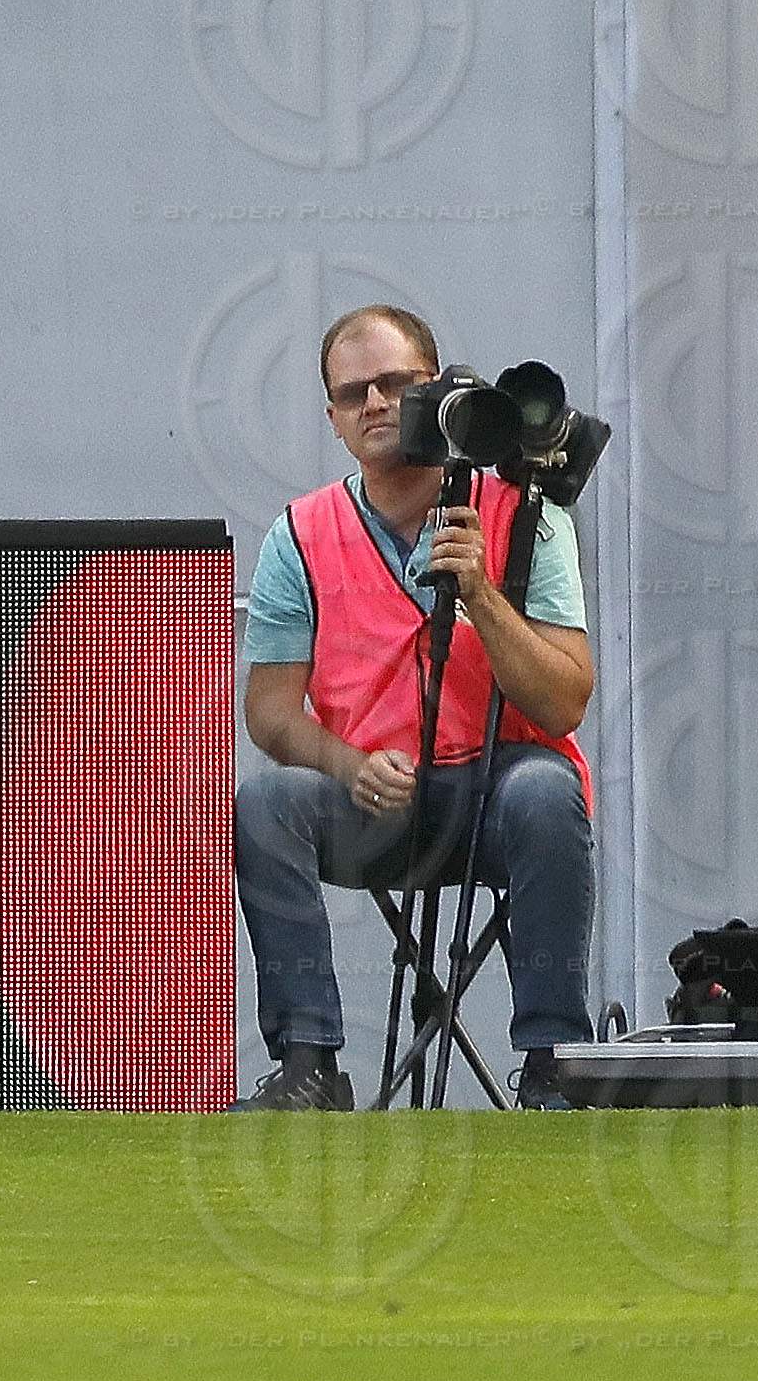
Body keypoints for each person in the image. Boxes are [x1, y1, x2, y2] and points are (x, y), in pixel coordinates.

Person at [232, 305, 596, 1112]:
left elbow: (566, 698)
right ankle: (308, 1064)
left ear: (437, 388)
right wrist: (350, 764)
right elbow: (270, 711)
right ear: (332, 418)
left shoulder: (524, 512)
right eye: (353, 392)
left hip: (498, 793)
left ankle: (554, 1059)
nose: (375, 404)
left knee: (547, 790)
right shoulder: (300, 533)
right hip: (378, 798)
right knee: (264, 802)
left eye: (394, 383)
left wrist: (484, 598)